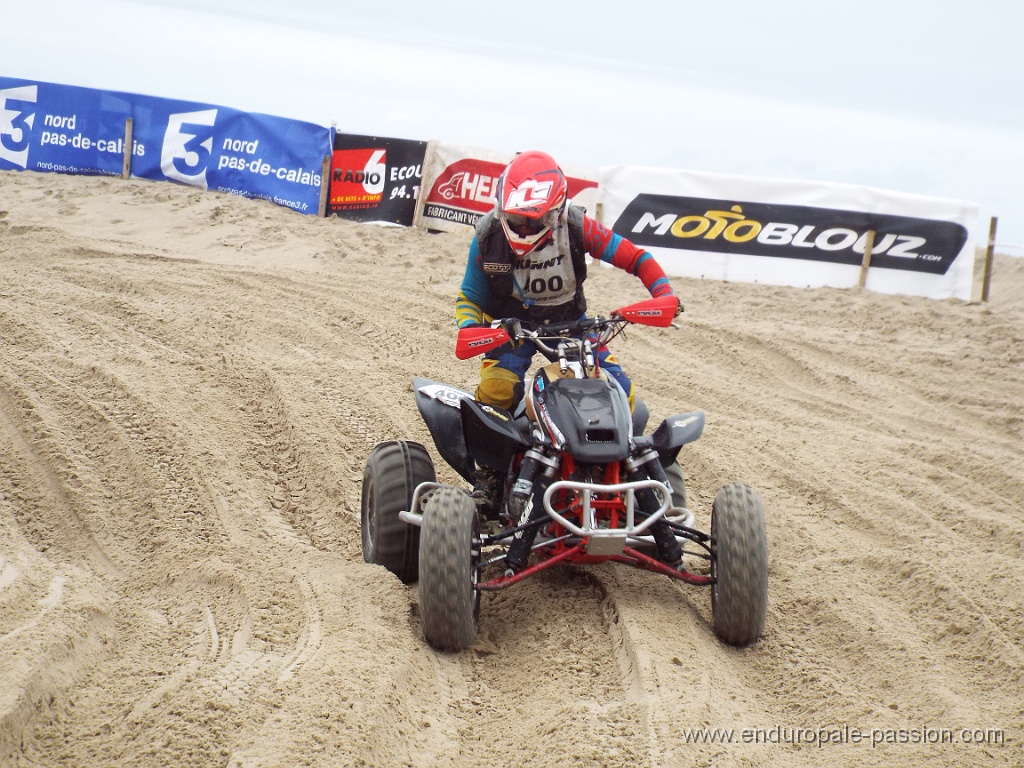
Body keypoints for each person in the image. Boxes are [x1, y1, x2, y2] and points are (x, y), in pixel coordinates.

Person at [455, 150, 682, 520]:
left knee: (622, 395)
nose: (523, 227)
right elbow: (469, 297)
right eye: (515, 218)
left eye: (534, 219)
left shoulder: (577, 227)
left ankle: (634, 481)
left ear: (556, 212)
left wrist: (664, 294)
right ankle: (491, 480)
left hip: (573, 327)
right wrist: (473, 328)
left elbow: (636, 258)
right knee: (495, 392)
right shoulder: (486, 238)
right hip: (514, 330)